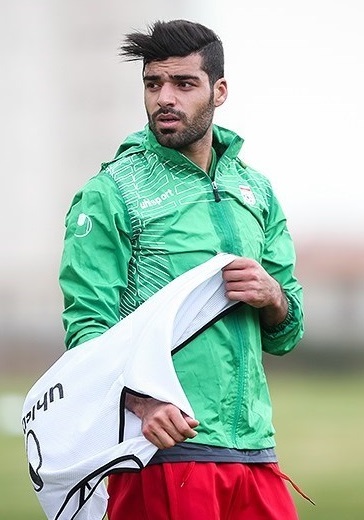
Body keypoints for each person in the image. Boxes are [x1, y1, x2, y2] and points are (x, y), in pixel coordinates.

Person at [59, 19, 308, 520]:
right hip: (163, 454)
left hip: (256, 454)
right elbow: (88, 332)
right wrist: (143, 403)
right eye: (153, 84)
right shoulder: (111, 192)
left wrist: (273, 297)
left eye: (183, 84)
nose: (164, 98)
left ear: (219, 91)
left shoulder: (255, 190)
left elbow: (287, 333)